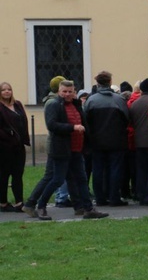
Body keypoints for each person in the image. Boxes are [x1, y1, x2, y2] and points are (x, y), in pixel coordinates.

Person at [22, 80, 109, 220]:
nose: (67, 94)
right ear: (59, 92)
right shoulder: (54, 104)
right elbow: (52, 125)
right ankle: (41, 206)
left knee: (81, 179)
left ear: (74, 92)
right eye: (64, 91)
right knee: (56, 179)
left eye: (70, 92)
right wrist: (72, 127)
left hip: (76, 149)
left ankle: (87, 209)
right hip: (61, 149)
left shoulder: (76, 105)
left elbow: (83, 122)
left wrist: (87, 139)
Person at [83, 71, 130, 206]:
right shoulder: (119, 99)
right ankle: (114, 197)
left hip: (97, 141)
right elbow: (126, 118)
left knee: (97, 169)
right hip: (117, 140)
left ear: (97, 83)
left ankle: (100, 198)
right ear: (110, 82)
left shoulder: (91, 100)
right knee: (115, 169)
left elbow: (86, 120)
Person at [0, 82, 31, 212]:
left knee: (18, 174)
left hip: (18, 146)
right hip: (4, 147)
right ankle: (3, 203)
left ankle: (19, 202)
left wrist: (23, 138)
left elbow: (24, 121)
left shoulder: (17, 104)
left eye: (9, 89)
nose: (7, 92)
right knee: (4, 175)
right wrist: (8, 135)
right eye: (4, 90)